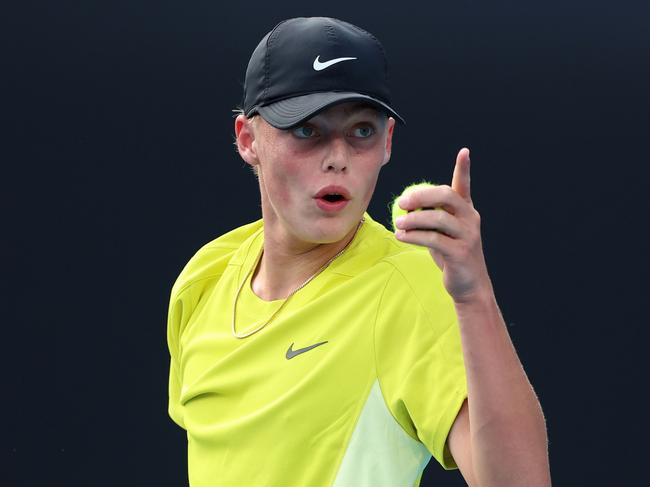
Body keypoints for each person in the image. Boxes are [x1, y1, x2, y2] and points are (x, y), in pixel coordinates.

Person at [166, 16, 551, 487]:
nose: (338, 157)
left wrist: (475, 298)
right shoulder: (204, 278)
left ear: (387, 142)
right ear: (248, 139)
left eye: (361, 132)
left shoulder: (411, 286)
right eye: (307, 131)